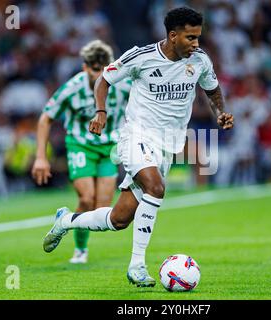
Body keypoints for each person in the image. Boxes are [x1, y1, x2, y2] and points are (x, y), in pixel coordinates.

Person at [42, 7, 234, 287]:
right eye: (190, 38)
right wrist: (101, 112)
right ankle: (137, 266)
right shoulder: (141, 57)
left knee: (119, 219)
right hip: (136, 136)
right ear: (173, 35)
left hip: (167, 147)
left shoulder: (201, 61)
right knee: (156, 188)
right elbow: (103, 80)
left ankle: (66, 221)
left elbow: (212, 88)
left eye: (198, 38)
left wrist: (220, 112)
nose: (196, 44)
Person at [32, 40, 131, 264]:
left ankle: (65, 219)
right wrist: (40, 157)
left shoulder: (122, 84)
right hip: (80, 145)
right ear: (85, 67)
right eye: (95, 69)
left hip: (109, 147)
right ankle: (80, 251)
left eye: (104, 69)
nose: (100, 74)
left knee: (104, 209)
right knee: (86, 199)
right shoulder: (72, 88)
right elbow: (46, 117)